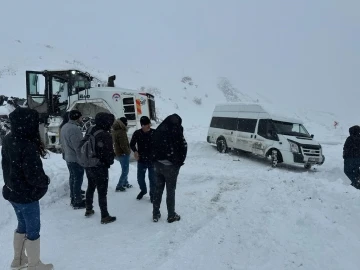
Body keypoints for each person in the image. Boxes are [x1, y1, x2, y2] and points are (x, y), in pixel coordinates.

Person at [2, 107, 53, 270]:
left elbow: (6, 166)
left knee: (22, 225)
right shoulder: (27, 145)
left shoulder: (8, 139)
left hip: (12, 192)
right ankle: (34, 264)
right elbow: (34, 176)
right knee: (33, 229)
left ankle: (18, 260)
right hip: (26, 195)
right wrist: (45, 180)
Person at [151, 114, 187, 223]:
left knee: (158, 189)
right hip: (171, 167)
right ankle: (171, 215)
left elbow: (152, 145)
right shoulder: (176, 130)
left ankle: (155, 213)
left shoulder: (159, 129)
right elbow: (183, 146)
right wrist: (178, 162)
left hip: (158, 165)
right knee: (170, 191)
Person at [83, 112, 117, 224]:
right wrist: (109, 161)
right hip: (100, 166)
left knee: (91, 186)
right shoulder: (105, 135)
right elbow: (108, 154)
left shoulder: (90, 129)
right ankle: (104, 215)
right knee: (102, 191)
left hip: (89, 164)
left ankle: (88, 209)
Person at [60, 110, 86, 209]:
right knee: (77, 180)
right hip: (76, 159)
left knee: (73, 178)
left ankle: (73, 198)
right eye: (80, 117)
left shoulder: (65, 127)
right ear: (76, 117)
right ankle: (77, 201)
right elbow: (78, 147)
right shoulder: (74, 129)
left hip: (68, 157)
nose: (82, 119)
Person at [130, 116, 156, 202]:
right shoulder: (137, 133)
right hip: (141, 161)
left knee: (152, 179)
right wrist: (135, 151)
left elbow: (160, 145)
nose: (149, 125)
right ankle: (143, 190)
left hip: (153, 161)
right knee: (140, 178)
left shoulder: (154, 133)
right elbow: (132, 144)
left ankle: (152, 195)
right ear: (142, 125)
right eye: (147, 124)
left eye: (149, 124)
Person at [112, 117, 132, 192]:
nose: (127, 123)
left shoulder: (115, 131)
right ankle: (119, 185)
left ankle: (125, 183)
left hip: (119, 153)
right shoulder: (121, 132)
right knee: (125, 170)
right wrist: (127, 152)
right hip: (123, 153)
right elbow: (123, 144)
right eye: (126, 122)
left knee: (124, 169)